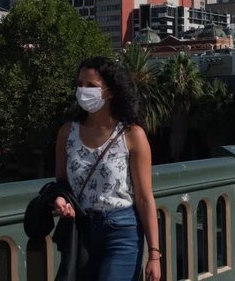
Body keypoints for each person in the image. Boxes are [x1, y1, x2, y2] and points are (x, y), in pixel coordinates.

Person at [53, 56, 161, 281]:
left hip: (121, 231)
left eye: (91, 86)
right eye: (80, 84)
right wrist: (61, 201)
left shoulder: (132, 135)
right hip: (82, 231)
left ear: (110, 91)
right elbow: (61, 183)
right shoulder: (67, 133)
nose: (83, 91)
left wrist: (154, 254)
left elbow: (144, 197)